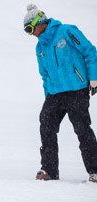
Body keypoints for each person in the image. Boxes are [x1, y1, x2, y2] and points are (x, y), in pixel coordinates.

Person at [23, 4, 97, 182]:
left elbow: (89, 51)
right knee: (46, 124)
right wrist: (47, 94)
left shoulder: (67, 31)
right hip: (55, 94)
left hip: (76, 90)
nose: (30, 33)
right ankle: (49, 171)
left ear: (39, 23)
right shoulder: (40, 47)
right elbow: (44, 74)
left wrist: (94, 77)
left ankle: (95, 171)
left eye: (30, 28)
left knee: (81, 129)